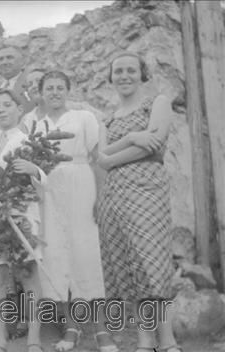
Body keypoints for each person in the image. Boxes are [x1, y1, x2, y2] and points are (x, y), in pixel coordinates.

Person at [97, 52, 179, 352]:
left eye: (131, 70)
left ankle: (168, 340)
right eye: (118, 71)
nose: (124, 75)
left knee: (153, 264)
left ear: (142, 74)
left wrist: (119, 152)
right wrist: (134, 137)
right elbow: (101, 161)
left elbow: (156, 143)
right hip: (115, 198)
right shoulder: (107, 117)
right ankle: (145, 341)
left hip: (147, 191)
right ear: (111, 77)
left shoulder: (157, 102)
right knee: (130, 268)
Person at [30, 71, 117, 352]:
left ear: (68, 90)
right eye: (49, 88)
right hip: (48, 191)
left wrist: (100, 197)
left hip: (81, 186)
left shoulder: (84, 118)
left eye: (59, 87)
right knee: (57, 257)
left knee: (86, 254)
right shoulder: (33, 122)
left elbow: (98, 160)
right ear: (41, 92)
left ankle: (102, 331)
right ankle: (71, 327)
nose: (54, 92)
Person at [0, 88, 47, 352]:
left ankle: (34, 338)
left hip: (22, 215)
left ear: (19, 109)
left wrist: (35, 170)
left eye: (7, 105)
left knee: (29, 276)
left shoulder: (29, 141)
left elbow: (45, 181)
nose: (2, 110)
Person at [0, 45, 34, 112]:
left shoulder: (31, 83)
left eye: (9, 58)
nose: (4, 62)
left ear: (22, 61)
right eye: (1, 59)